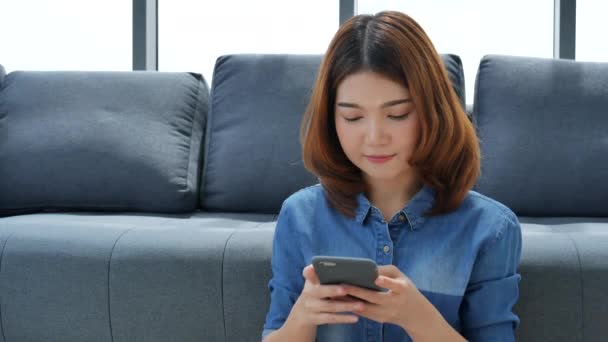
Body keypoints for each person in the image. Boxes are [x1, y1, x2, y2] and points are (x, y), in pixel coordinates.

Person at [262, 10, 522, 342]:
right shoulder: (300, 216)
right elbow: (276, 330)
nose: (374, 137)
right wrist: (302, 319)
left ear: (432, 111)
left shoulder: (490, 229)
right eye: (353, 117)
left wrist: (420, 319)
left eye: (397, 114)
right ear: (331, 119)